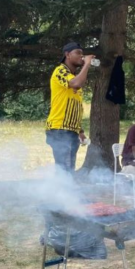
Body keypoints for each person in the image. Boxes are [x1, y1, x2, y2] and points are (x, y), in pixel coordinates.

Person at [47, 42, 93, 173]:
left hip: (71, 130)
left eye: (82, 53)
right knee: (64, 169)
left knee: (69, 169)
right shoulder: (60, 71)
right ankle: (58, 192)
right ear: (67, 55)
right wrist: (87, 64)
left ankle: (65, 192)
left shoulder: (73, 77)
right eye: (78, 53)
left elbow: (75, 106)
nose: (81, 56)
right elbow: (76, 84)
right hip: (59, 128)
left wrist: (80, 130)